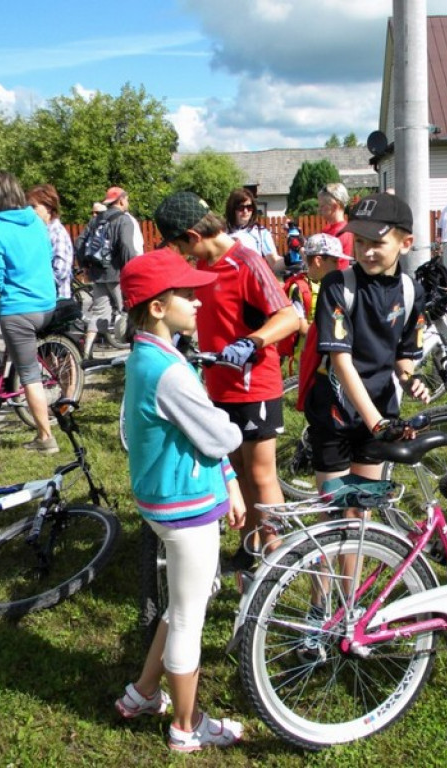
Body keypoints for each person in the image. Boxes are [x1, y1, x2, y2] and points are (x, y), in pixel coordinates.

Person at [112, 248, 245, 752]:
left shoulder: (154, 357)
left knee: (182, 603)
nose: (199, 302)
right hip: (183, 508)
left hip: (173, 499)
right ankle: (187, 728)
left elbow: (197, 438)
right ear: (157, 308)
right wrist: (232, 436)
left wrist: (228, 481)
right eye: (188, 295)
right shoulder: (166, 371)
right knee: (190, 616)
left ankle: (145, 692)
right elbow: (216, 433)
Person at [153, 190, 299, 575]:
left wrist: (251, 341)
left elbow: (288, 317)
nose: (180, 254)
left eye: (179, 245)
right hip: (218, 386)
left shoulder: (246, 262)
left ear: (193, 235)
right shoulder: (198, 269)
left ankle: (279, 559)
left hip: (255, 386)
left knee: (261, 475)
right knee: (234, 470)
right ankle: (250, 546)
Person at [305, 191, 428, 497]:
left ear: (406, 243)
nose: (366, 251)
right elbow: (340, 361)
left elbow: (403, 354)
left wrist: (409, 378)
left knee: (362, 512)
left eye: (377, 243)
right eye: (359, 242)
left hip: (380, 411)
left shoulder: (412, 291)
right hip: (336, 413)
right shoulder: (338, 285)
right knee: (336, 514)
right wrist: (376, 423)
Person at [0, 170, 60, 453]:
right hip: (47, 304)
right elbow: (47, 257)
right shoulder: (35, 221)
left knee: (29, 376)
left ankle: (45, 438)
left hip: (20, 311)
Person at [78, 187, 140, 359]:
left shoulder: (96, 220)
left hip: (97, 275)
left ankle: (87, 352)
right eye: (126, 200)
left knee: (98, 314)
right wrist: (133, 269)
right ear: (121, 200)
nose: (127, 203)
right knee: (129, 312)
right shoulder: (123, 220)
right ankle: (135, 354)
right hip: (118, 275)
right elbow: (127, 247)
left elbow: (80, 241)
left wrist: (84, 264)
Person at [294, 233, 344, 411]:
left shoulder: (331, 285)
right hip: (311, 351)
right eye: (335, 261)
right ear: (318, 260)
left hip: (324, 349)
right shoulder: (299, 287)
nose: (339, 266)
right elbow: (301, 325)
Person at [26, 184, 74, 299]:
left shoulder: (57, 233)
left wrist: (35, 284)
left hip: (56, 300)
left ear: (48, 207)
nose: (31, 211)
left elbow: (61, 271)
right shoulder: (40, 231)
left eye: (34, 207)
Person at [224, 188, 283, 274]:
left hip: (252, 282)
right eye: (241, 207)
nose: (245, 211)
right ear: (232, 209)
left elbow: (274, 262)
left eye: (249, 207)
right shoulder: (222, 233)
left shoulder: (261, 233)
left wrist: (290, 258)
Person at [317, 182, 353, 264]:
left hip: (335, 276)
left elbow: (322, 265)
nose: (319, 210)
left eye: (322, 206)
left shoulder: (341, 233)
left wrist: (300, 250)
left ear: (335, 206)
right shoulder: (328, 228)